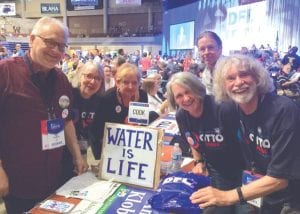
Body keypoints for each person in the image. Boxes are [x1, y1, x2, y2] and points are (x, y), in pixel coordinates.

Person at [190, 54, 300, 213]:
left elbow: (280, 179)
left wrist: (227, 196)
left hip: (291, 198)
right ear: (223, 86)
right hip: (259, 191)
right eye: (230, 78)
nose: (238, 82)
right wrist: (199, 161)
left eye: (244, 74)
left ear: (257, 78)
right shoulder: (233, 109)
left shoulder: (283, 110)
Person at [0, 17, 88, 214]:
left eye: (61, 46)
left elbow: (66, 120)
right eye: (50, 42)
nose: (56, 51)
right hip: (18, 181)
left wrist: (77, 156)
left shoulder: (61, 79)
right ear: (31, 40)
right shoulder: (5, 72)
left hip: (54, 177)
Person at [166, 72, 251, 214]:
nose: (185, 99)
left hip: (243, 171)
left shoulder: (223, 108)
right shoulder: (181, 115)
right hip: (217, 172)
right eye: (179, 96)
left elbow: (247, 140)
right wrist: (199, 162)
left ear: (197, 89)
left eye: (188, 92)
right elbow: (192, 139)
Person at [91, 62, 148, 159]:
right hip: (106, 146)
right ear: (117, 82)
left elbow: (142, 124)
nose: (130, 86)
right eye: (126, 82)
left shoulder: (142, 96)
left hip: (133, 146)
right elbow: (97, 131)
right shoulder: (106, 98)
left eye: (134, 83)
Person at [61, 61, 104, 183]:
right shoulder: (68, 95)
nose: (92, 81)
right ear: (80, 76)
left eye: (97, 78)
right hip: (61, 153)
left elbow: (90, 131)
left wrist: (83, 155)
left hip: (82, 150)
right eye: (88, 76)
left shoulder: (99, 101)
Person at [197, 31, 223, 95]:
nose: (206, 52)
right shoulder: (206, 72)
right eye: (202, 49)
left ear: (220, 49)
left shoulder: (231, 69)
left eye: (210, 47)